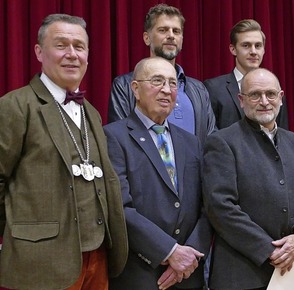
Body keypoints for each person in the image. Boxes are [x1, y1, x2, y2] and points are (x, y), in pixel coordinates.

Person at [0, 14, 128, 289]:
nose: (72, 54)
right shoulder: (15, 106)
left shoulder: (91, 113)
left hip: (97, 258)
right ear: (38, 52)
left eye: (79, 47)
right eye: (61, 45)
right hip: (39, 262)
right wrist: (13, 238)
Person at [202, 68, 294, 290]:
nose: (264, 101)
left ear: (281, 97)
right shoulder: (222, 142)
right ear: (241, 100)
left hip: (293, 273)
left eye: (270, 94)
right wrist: (270, 249)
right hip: (242, 274)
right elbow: (220, 207)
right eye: (254, 95)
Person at [104, 57, 212, 290]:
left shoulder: (191, 142)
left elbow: (207, 206)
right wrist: (169, 251)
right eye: (157, 81)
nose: (166, 90)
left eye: (173, 83)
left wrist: (188, 257)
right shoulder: (113, 137)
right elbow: (119, 207)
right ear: (135, 89)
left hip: (188, 275)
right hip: (140, 274)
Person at [108, 3, 216, 145]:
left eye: (176, 31)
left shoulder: (199, 89)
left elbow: (211, 138)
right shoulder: (124, 85)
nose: (171, 35)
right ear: (147, 38)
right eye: (163, 30)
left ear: (182, 40)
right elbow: (120, 139)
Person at [203, 19, 288, 130]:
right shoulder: (213, 88)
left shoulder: (274, 90)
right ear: (233, 49)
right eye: (246, 45)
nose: (253, 51)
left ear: (264, 50)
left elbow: (282, 134)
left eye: (258, 46)